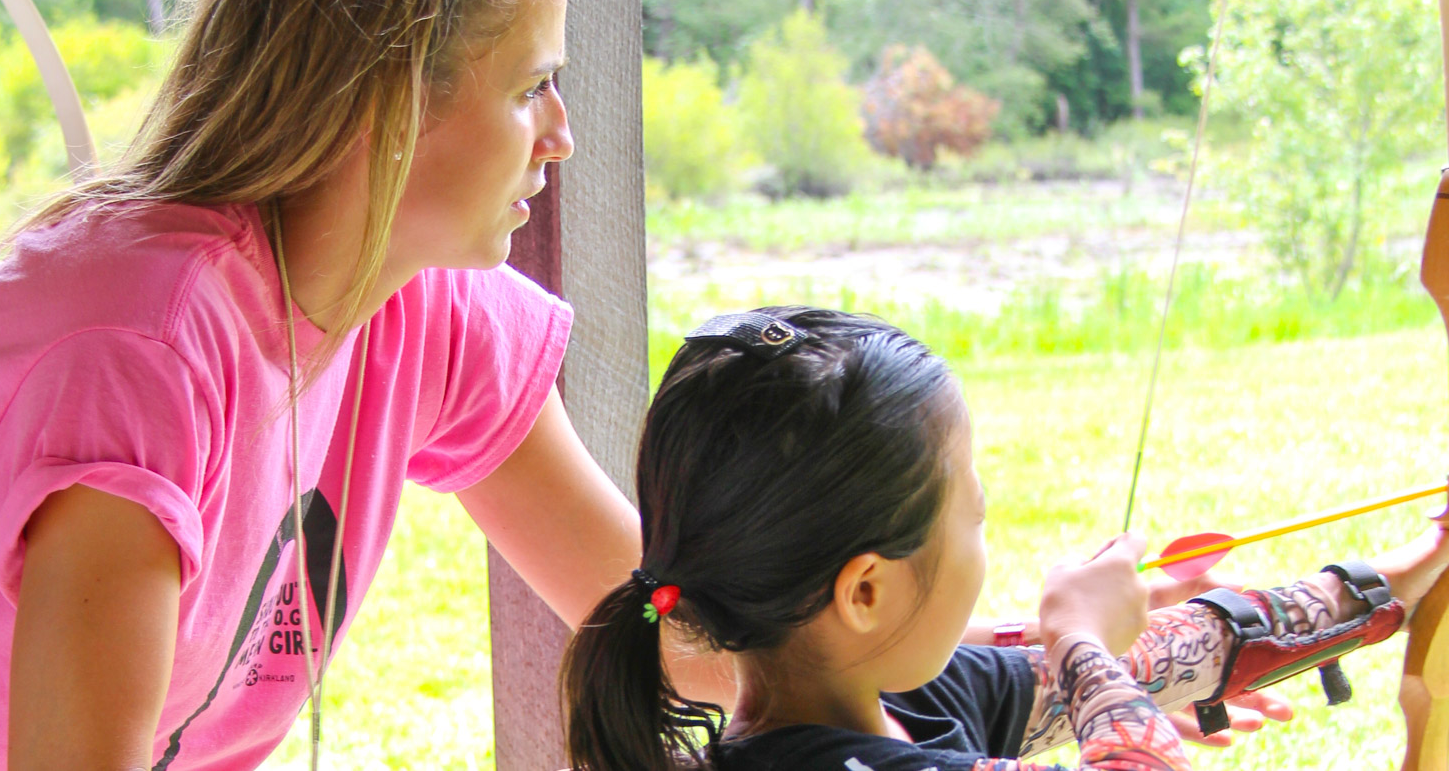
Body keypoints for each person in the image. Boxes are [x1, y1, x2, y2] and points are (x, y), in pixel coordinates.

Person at [0, 0, 654, 769]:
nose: (561, 134)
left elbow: (649, 619)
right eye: (532, 86)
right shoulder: (141, 346)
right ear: (390, 97)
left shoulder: (426, 303)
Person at [562, 307, 1449, 771]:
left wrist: (1393, 582)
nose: (983, 539)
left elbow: (1192, 652)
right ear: (866, 590)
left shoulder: (910, 697)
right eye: (973, 515)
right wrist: (1081, 642)